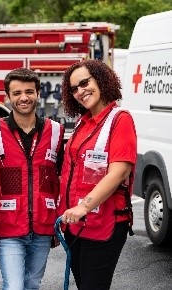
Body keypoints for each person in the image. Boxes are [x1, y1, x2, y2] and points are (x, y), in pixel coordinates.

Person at [57, 59, 137, 290]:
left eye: (85, 83)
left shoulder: (120, 119)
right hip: (75, 224)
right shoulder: (83, 122)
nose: (80, 91)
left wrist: (84, 206)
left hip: (104, 223)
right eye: (74, 88)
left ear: (101, 80)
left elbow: (119, 171)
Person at [0, 68, 64, 290]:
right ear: (8, 97)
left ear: (38, 93)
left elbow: (59, 179)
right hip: (9, 226)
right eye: (17, 92)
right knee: (14, 287)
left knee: (32, 284)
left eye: (29, 91)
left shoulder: (56, 131)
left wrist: (57, 224)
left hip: (43, 227)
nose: (24, 97)